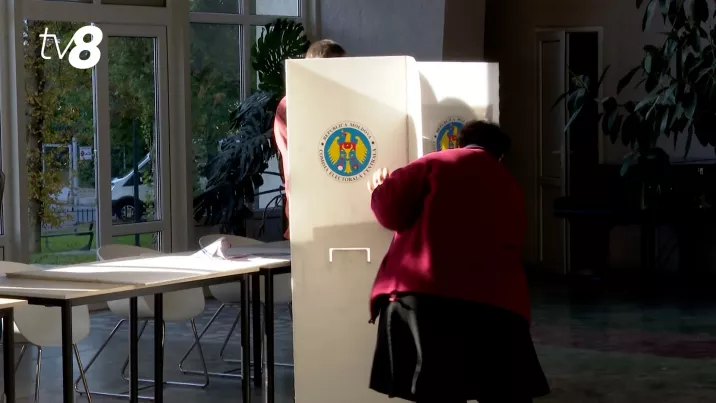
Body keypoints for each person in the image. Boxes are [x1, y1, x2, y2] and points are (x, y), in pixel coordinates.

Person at [366, 120, 550, 403]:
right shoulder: (510, 185)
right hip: (495, 304)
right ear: (500, 154)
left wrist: (380, 189)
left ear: (460, 142)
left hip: (427, 297)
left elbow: (391, 212)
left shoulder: (434, 162)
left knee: (439, 390)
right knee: (499, 389)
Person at [274, 39, 347, 239]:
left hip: (344, 206)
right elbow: (299, 157)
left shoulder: (345, 102)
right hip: (309, 208)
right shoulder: (290, 106)